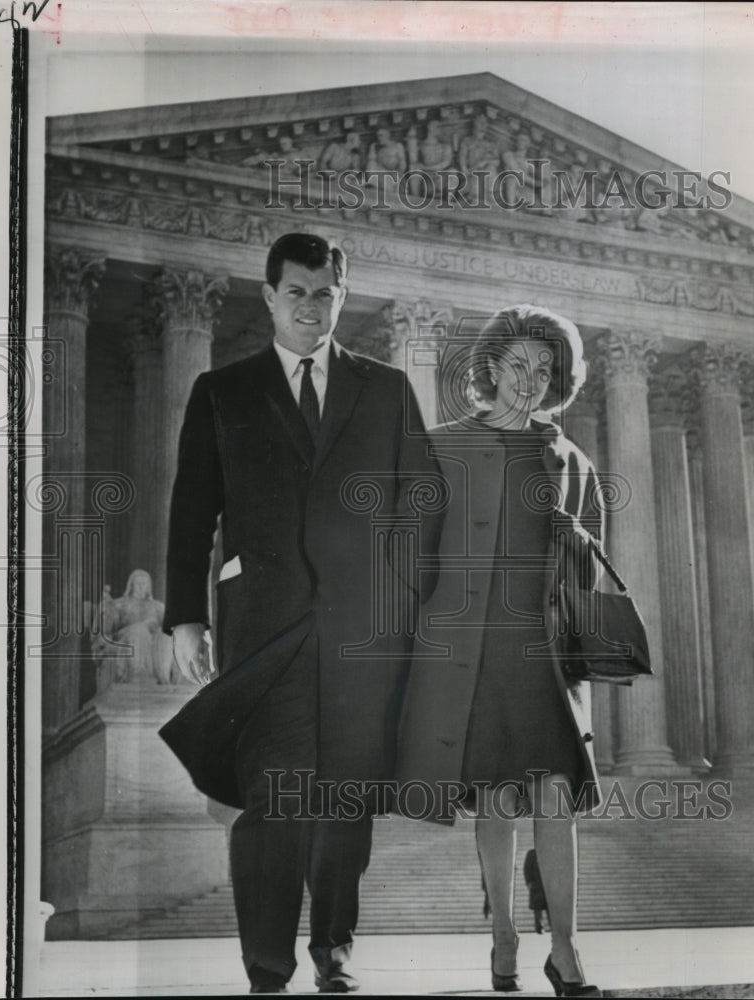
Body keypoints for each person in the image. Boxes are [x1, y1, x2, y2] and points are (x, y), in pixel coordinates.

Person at [161, 232, 440, 995]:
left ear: (341, 296)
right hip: (264, 627)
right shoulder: (223, 391)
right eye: (296, 293)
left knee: (346, 797)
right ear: (270, 296)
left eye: (324, 293)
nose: (310, 308)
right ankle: (266, 965)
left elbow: (421, 503)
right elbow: (193, 510)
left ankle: (334, 950)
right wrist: (186, 615)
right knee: (272, 796)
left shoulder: (384, 390)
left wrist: (404, 604)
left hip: (362, 633)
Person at [395, 304, 605, 997]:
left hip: (546, 655)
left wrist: (576, 547)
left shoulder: (571, 458)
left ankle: (566, 950)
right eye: (518, 365)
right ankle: (504, 937)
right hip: (471, 650)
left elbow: (595, 570)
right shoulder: (442, 446)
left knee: (554, 798)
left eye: (545, 370)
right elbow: (412, 555)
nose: (531, 380)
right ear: (489, 369)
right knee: (496, 800)